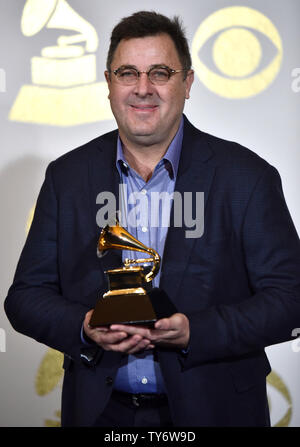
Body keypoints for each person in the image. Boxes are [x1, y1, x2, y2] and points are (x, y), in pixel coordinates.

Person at [4, 10, 300, 427]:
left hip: (218, 412)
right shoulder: (67, 177)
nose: (143, 89)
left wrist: (195, 331)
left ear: (188, 83)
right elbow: (24, 298)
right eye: (128, 73)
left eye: (159, 72)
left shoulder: (247, 177)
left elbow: (291, 301)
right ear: (109, 84)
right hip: (100, 415)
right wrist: (85, 326)